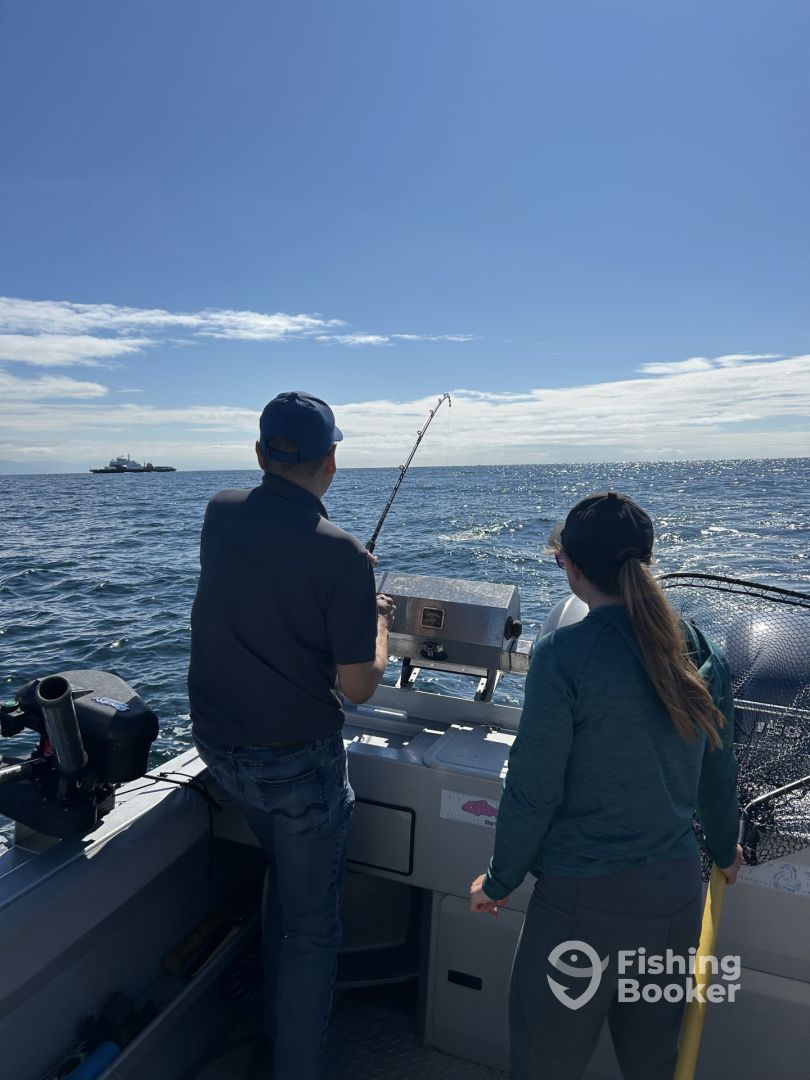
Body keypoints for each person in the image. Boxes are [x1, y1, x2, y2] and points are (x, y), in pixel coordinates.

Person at [469, 492, 743, 1080]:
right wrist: (725, 847)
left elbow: (534, 789)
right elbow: (719, 772)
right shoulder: (701, 648)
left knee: (544, 1063)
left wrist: (499, 879)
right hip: (675, 898)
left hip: (580, 907)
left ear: (570, 567)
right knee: (654, 1064)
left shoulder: (563, 654)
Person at [188, 391, 394, 1080]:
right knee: (312, 929)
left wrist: (348, 583)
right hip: (297, 768)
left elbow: (268, 587)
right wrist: (376, 616)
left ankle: (273, 1040)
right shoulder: (343, 556)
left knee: (284, 881)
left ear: (259, 454)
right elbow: (359, 687)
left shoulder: (219, 512)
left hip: (222, 751)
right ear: (331, 461)